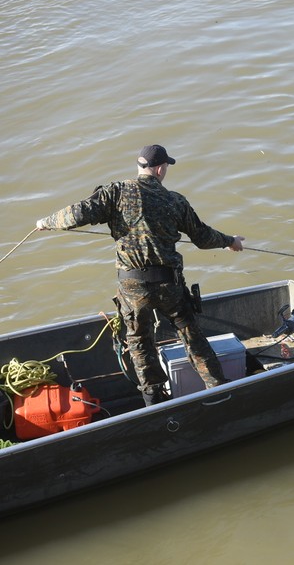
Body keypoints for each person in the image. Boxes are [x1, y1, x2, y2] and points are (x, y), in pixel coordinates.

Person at [36, 145, 245, 406]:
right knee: (190, 333)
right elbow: (203, 237)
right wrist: (229, 241)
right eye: (166, 168)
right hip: (169, 284)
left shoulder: (115, 192)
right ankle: (217, 389)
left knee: (139, 341)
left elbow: (77, 213)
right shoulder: (175, 201)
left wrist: (46, 222)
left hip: (133, 287)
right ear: (159, 169)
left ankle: (153, 399)